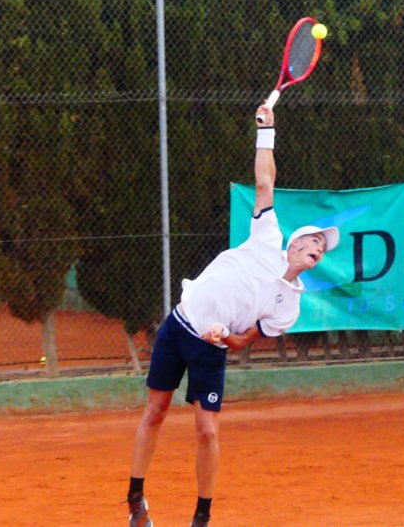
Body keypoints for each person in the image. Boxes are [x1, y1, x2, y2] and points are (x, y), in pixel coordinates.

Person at [126, 104, 339, 527]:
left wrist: (226, 338)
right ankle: (135, 499)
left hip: (210, 347)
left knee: (207, 430)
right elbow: (265, 181)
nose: (319, 249)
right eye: (315, 242)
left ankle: (202, 516)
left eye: (323, 249)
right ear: (294, 244)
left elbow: (245, 341)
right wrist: (267, 131)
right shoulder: (267, 236)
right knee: (155, 411)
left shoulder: (289, 305)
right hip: (178, 324)